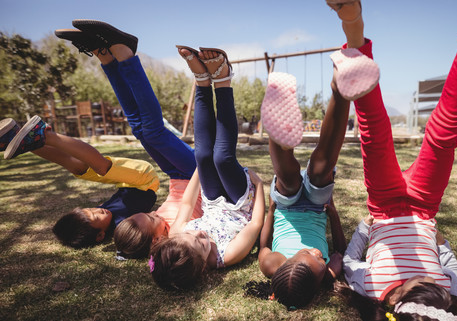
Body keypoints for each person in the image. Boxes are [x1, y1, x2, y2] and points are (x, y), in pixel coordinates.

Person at [330, 0, 457, 321]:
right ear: (446, 299)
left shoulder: (372, 288)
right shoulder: (448, 290)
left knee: (374, 134)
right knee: (444, 133)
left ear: (394, 302)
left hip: (385, 206)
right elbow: (451, 265)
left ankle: (353, 32)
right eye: (432, 282)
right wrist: (441, 243)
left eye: (413, 283)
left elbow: (348, 261)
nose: (422, 274)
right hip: (423, 206)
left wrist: (365, 228)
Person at [54, 20, 203, 258]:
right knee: (153, 131)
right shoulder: (171, 235)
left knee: (138, 128)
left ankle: (105, 55)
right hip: (198, 175)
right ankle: (125, 54)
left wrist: (122, 252)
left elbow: (125, 244)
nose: (97, 211)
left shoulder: (129, 231)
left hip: (176, 176)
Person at [252, 30, 379, 308]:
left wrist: (272, 210)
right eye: (319, 260)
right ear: (320, 278)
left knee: (287, 181)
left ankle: (278, 136)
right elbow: (340, 251)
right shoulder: (327, 273)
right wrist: (332, 213)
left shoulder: (272, 264)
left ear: (289, 264)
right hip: (318, 207)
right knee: (321, 172)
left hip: (286, 208)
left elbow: (262, 246)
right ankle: (340, 88)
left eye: (306, 255)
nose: (315, 252)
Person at [148, 46, 265, 290]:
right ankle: (222, 81)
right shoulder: (228, 255)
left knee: (203, 154)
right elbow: (255, 225)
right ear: (203, 266)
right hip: (239, 203)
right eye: (200, 244)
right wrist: (260, 186)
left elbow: (189, 205)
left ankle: (202, 82)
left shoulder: (178, 238)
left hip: (212, 201)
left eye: (192, 235)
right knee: (222, 158)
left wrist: (201, 167)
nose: (200, 235)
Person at [1, 115, 159, 249]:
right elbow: (140, 237)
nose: (99, 211)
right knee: (101, 167)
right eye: (96, 217)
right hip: (145, 181)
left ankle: (26, 141)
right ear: (100, 236)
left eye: (91, 209)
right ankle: (43, 136)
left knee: (80, 169)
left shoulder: (98, 219)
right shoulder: (122, 227)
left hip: (127, 182)